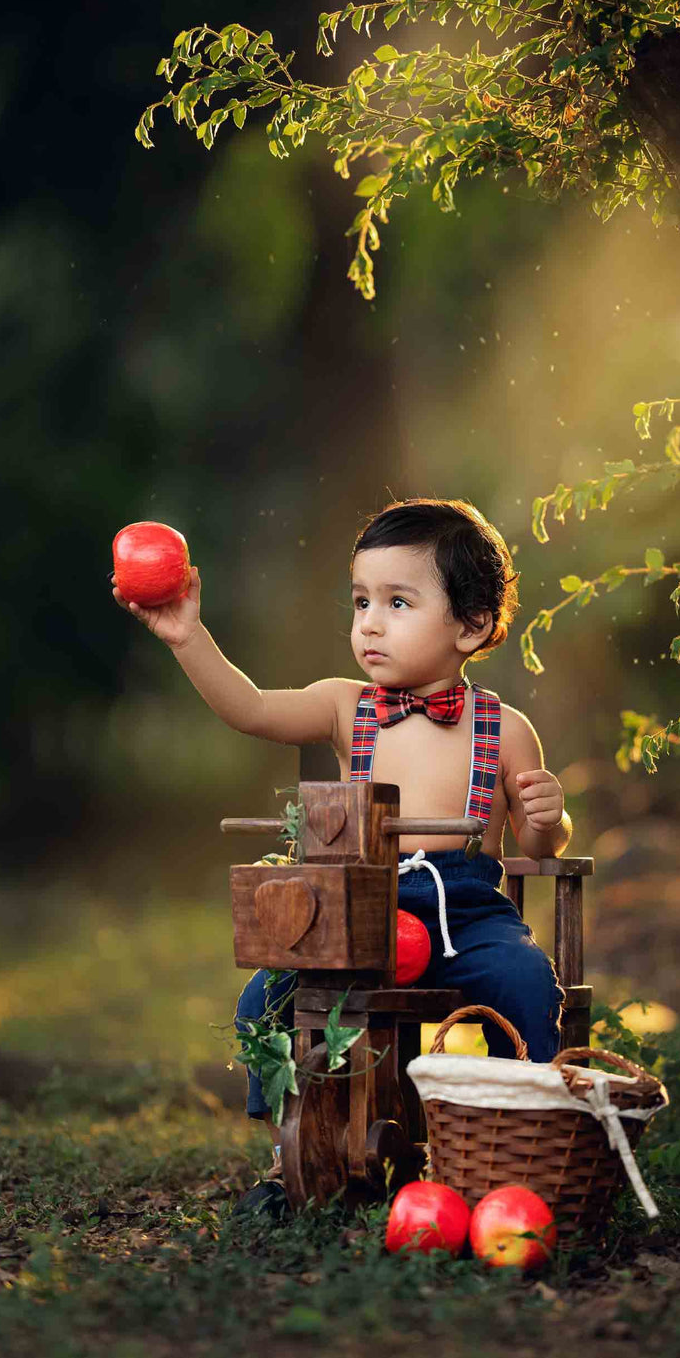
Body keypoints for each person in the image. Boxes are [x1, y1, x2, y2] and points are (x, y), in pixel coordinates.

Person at [113, 497, 570, 1185]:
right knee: (263, 1001)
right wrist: (187, 638)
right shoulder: (343, 704)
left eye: (397, 603)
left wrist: (544, 814)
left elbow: (543, 844)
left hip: (465, 915)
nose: (370, 624)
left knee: (528, 979)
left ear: (472, 626)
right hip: (359, 914)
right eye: (361, 602)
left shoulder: (503, 728)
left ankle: (521, 1140)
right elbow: (251, 709)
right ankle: (291, 1150)